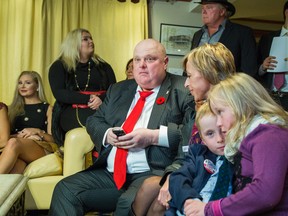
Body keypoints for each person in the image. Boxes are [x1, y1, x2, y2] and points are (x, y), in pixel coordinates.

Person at [49, 38, 194, 216]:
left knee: (128, 204)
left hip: (150, 173)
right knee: (65, 189)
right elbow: (94, 121)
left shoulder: (184, 89)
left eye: (149, 59)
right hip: (110, 174)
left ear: (165, 63)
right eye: (137, 59)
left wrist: (153, 136)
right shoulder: (119, 90)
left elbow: (193, 133)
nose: (141, 65)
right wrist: (107, 134)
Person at [132, 42, 236, 216]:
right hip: (191, 170)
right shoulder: (196, 110)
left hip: (210, 180)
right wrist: (172, 176)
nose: (186, 84)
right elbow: (186, 153)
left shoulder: (229, 116)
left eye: (189, 76)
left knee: (159, 205)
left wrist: (176, 183)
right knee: (150, 188)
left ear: (209, 75)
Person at [187, 73, 288, 216]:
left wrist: (210, 209)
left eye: (220, 112)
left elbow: (265, 193)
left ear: (240, 104)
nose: (219, 123)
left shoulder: (269, 135)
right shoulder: (254, 135)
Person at [49, 28, 116, 146]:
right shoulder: (59, 66)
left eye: (91, 38)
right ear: (74, 44)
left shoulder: (104, 66)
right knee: (96, 122)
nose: (91, 41)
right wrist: (89, 99)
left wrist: (100, 98)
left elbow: (114, 90)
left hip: (102, 107)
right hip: (71, 111)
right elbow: (59, 93)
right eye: (85, 39)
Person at [167, 102, 233, 216]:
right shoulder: (198, 154)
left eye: (224, 131)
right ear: (203, 138)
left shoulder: (241, 156)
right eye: (210, 133)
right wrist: (189, 201)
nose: (219, 139)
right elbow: (178, 177)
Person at [0, 71, 57, 174]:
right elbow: (4, 138)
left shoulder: (48, 108)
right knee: (18, 165)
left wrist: (38, 132)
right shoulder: (10, 109)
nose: (23, 86)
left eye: (27, 83)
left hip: (41, 146)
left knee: (13, 143)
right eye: (20, 83)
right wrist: (22, 136)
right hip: (18, 147)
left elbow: (54, 139)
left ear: (37, 86)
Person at [191, 0, 257, 77]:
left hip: (227, 87)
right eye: (202, 8)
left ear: (222, 11)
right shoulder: (197, 35)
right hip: (198, 86)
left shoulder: (243, 33)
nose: (204, 12)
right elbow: (191, 63)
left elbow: (249, 69)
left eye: (209, 8)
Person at [257, 1, 288, 111]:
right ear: (287, 13)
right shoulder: (267, 38)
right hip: (270, 96)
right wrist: (263, 67)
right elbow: (254, 68)